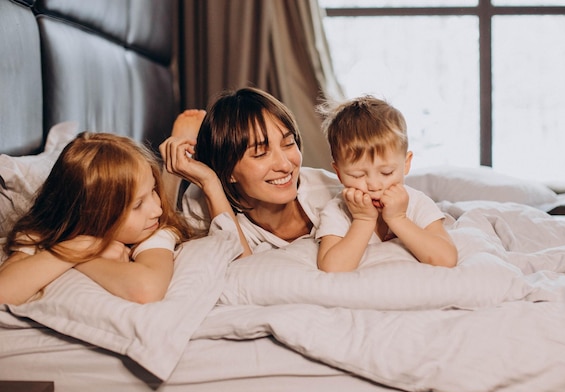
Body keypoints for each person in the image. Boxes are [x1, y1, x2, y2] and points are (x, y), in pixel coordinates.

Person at [0, 132, 192, 305]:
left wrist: (81, 258)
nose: (156, 210)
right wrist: (82, 246)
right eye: (137, 205)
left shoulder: (154, 230)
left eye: (153, 191)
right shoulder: (50, 233)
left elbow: (147, 289)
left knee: (171, 210)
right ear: (92, 214)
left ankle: (171, 174)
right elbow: (4, 292)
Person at [159, 87, 342, 256]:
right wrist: (177, 170)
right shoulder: (204, 200)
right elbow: (157, 238)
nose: (285, 165)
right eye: (261, 154)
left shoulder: (333, 193)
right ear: (228, 170)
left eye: (288, 143)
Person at [315, 95, 458, 272]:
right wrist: (363, 220)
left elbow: (446, 259)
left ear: (406, 163)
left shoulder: (417, 203)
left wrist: (398, 219)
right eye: (357, 175)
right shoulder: (337, 211)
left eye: (386, 172)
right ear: (338, 173)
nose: (374, 185)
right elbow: (332, 267)